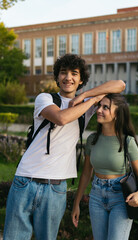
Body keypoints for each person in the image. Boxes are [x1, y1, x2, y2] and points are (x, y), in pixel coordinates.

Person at [3, 54, 125, 240]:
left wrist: (85, 96)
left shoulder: (85, 104)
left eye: (74, 73)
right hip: (26, 181)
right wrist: (92, 101)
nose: (68, 77)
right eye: (63, 73)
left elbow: (120, 84)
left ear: (81, 79)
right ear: (57, 77)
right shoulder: (45, 98)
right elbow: (61, 118)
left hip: (56, 187)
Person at [72, 93, 138, 240]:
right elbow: (86, 173)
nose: (99, 110)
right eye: (99, 106)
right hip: (96, 196)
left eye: (105, 107)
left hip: (120, 197)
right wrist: (76, 203)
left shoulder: (127, 141)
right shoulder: (92, 139)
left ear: (117, 115)